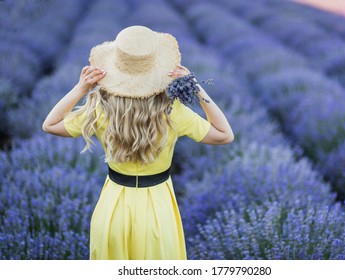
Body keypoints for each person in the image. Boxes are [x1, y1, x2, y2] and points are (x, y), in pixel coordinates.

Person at [42, 25, 233, 260]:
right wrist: (196, 87)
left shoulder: (100, 110)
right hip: (157, 211)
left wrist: (80, 88)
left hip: (112, 210)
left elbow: (50, 125)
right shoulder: (173, 112)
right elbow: (224, 134)